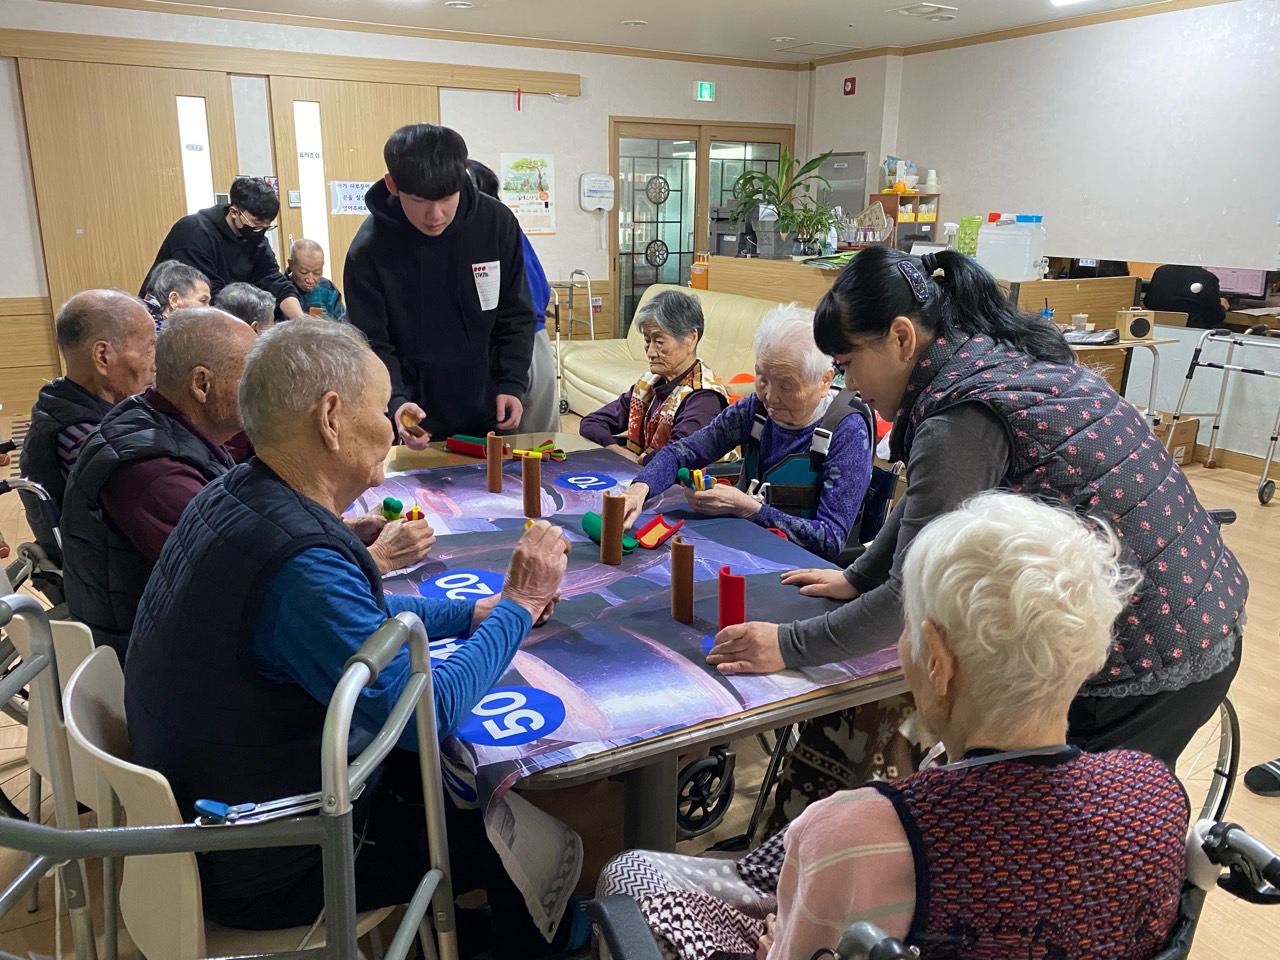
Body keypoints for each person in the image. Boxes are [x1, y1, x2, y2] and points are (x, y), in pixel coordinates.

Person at [125, 319, 582, 957]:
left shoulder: (235, 491)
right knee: (517, 834)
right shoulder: (297, 562)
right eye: (382, 408)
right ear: (332, 418)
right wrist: (519, 604)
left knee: (452, 784)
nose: (392, 427)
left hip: (211, 811)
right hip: (270, 859)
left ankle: (464, 932)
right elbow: (425, 715)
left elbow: (356, 617)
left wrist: (469, 615)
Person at [706, 248, 1247, 780]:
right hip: (1200, 596)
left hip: (1158, 652)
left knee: (1073, 819)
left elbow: (906, 601)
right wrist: (858, 577)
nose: (851, 387)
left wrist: (788, 645)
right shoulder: (987, 360)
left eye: (848, 365)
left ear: (901, 338)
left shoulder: (960, 415)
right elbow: (931, 500)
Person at [599, 493, 1189, 960]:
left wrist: (775, 948)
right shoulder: (1154, 792)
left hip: (840, 879)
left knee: (631, 873)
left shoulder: (855, 832)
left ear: (938, 661)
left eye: (905, 625)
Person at [61, 307, 256, 658]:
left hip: (169, 633)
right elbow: (240, 575)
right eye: (252, 376)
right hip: (148, 657)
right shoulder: (156, 473)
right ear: (201, 384)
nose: (264, 390)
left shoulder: (156, 418)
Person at [620, 304, 872, 560]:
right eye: (762, 379)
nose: (770, 397)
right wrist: (640, 489)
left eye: (786, 386)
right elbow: (682, 452)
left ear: (825, 380)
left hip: (805, 564)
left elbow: (831, 539)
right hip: (750, 544)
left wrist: (750, 509)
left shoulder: (847, 432)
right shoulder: (755, 408)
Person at [346, 124, 537, 445]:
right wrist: (396, 401)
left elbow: (515, 312)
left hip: (487, 401)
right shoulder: (369, 249)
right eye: (419, 200)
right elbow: (373, 341)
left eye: (447, 198)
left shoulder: (496, 223)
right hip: (412, 409)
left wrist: (511, 382)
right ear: (392, 185)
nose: (435, 215)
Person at [19, 291, 156, 567]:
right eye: (150, 348)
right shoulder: (80, 437)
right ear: (103, 357)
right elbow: (153, 511)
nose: (156, 364)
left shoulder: (71, 403)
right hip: (117, 580)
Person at [579, 290, 729, 463]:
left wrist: (636, 462)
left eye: (659, 342)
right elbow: (591, 422)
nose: (650, 352)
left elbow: (677, 454)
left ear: (691, 339)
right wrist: (618, 451)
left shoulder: (704, 397)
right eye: (647, 340)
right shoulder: (649, 384)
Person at [467, 159, 558, 434]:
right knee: (530, 439)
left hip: (519, 344)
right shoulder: (504, 228)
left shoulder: (493, 231)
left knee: (531, 443)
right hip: (530, 343)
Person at [142, 176, 304, 319]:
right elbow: (208, 295)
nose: (260, 230)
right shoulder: (193, 232)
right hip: (168, 317)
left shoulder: (255, 237)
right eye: (256, 224)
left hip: (221, 314)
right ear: (234, 212)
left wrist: (300, 319)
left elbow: (272, 278)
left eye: (266, 226)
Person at [1144, 264, 1228, 329]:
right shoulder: (1208, 278)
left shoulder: (1161, 271)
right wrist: (1223, 307)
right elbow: (1213, 318)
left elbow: (1148, 303)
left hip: (1157, 331)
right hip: (1192, 334)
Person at [286, 238, 347, 321]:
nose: (310, 280)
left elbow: (342, 323)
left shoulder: (329, 290)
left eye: (317, 273)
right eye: (304, 272)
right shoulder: (280, 289)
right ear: (291, 264)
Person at [142, 260, 210, 325]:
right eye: (203, 300)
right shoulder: (152, 331)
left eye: (208, 302)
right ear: (174, 300)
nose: (209, 309)